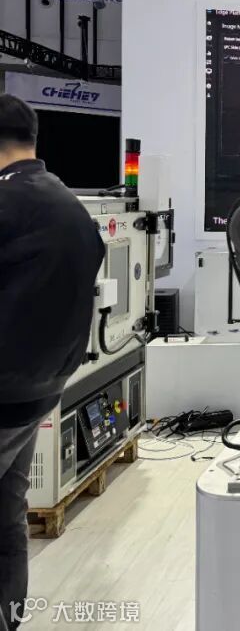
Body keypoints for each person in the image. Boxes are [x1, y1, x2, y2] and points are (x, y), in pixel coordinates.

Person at [0, 96, 104, 631]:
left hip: (4, 390)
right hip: (42, 391)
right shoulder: (69, 203)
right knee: (7, 514)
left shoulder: (6, 203)